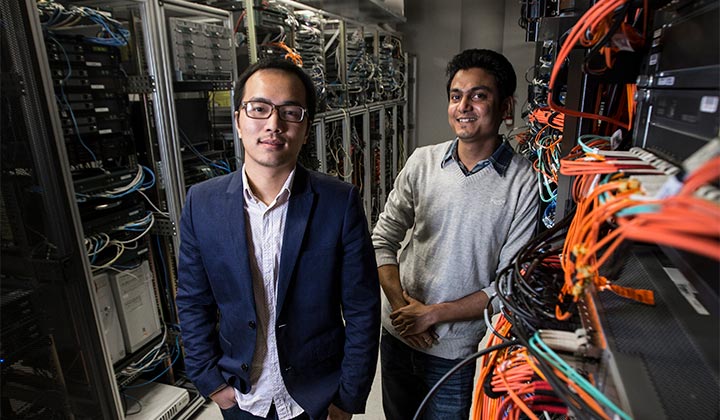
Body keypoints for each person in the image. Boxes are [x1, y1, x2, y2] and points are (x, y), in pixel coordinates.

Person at [176, 58, 381, 420]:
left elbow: (362, 309)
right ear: (238, 120)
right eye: (259, 108)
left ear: (305, 127)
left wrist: (347, 398)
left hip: (317, 397)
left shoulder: (339, 202)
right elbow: (193, 302)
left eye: (290, 111)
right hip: (240, 396)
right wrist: (211, 383)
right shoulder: (201, 203)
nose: (273, 124)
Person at [372, 48, 539, 419]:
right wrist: (403, 309)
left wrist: (432, 315)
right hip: (398, 339)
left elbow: (508, 284)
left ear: (506, 105)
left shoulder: (523, 181)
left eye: (478, 95)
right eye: (455, 96)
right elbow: (382, 239)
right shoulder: (422, 162)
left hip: (457, 353)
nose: (464, 106)